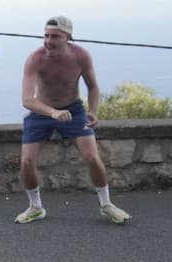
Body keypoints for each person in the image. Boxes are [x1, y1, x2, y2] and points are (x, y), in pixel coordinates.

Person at [16, 16, 131, 224]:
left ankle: (106, 205)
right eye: (46, 35)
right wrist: (52, 112)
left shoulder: (81, 56)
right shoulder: (35, 58)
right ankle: (35, 207)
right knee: (26, 161)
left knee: (92, 158)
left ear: (68, 37)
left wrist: (93, 111)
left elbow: (93, 87)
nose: (48, 41)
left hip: (74, 110)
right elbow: (27, 100)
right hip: (41, 111)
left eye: (55, 37)